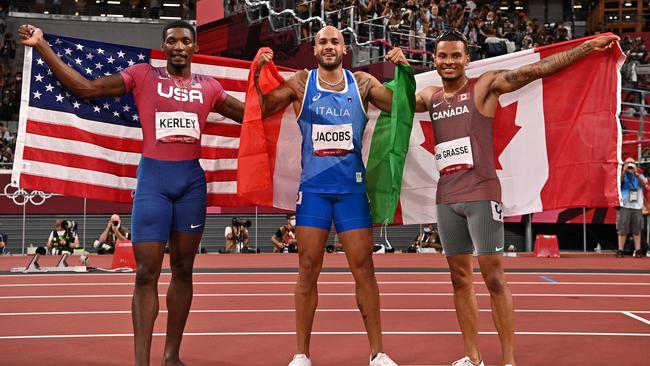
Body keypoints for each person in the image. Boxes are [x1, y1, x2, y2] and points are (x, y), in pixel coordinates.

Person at [18, 20, 244, 366]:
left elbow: (252, 118)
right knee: (145, 273)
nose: (179, 46)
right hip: (154, 181)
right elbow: (87, 89)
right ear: (164, 47)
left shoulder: (209, 86)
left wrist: (289, 93)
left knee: (184, 271)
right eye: (172, 41)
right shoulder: (142, 76)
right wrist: (43, 46)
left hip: (191, 185)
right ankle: (142, 362)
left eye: (186, 41)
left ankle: (171, 356)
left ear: (195, 47)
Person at [413, 29, 619, 366]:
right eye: (442, 56)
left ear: (467, 59)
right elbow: (388, 102)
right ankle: (472, 357)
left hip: (481, 193)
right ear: (434, 60)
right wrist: (360, 81)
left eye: (455, 55)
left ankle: (508, 361)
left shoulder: (484, 86)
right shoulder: (430, 97)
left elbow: (537, 70)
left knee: (494, 278)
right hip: (446, 195)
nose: (448, 61)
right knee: (459, 278)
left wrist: (585, 47)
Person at [254, 25, 407, 366]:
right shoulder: (300, 83)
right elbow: (262, 108)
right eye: (322, 41)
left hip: (351, 190)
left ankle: (378, 353)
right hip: (314, 191)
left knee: (364, 268)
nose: (328, 46)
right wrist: (257, 73)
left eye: (334, 41)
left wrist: (404, 71)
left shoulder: (363, 83)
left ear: (344, 49)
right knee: (307, 268)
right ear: (314, 49)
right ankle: (302, 354)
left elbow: (403, 107)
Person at [617, 157, 647, 258]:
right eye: (628, 163)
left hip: (637, 206)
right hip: (624, 205)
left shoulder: (639, 175)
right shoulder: (621, 175)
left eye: (632, 163)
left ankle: (638, 250)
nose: (630, 164)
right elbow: (618, 183)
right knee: (623, 228)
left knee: (637, 229)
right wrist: (624, 171)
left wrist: (636, 174)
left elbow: (644, 183)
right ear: (624, 164)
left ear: (636, 165)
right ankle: (620, 250)